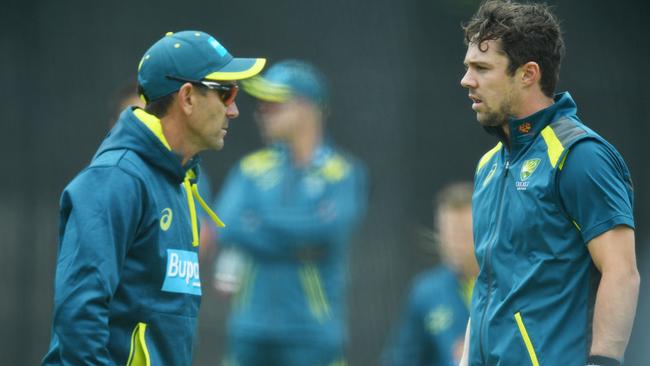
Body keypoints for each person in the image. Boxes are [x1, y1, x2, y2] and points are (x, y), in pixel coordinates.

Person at [42, 30, 265, 365]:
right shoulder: (115, 179)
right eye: (226, 93)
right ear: (187, 98)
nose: (233, 110)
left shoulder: (180, 179)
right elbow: (79, 318)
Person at [458, 2, 639, 366]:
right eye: (467, 68)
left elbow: (622, 272)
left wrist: (604, 362)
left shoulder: (580, 156)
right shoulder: (489, 165)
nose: (467, 80)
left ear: (528, 74)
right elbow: (488, 285)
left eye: (482, 68)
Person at [212, 60, 367, 366]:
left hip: (312, 334)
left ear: (306, 108)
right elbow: (227, 226)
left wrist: (259, 224)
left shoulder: (344, 173)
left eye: (274, 103)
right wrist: (300, 243)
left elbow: (329, 231)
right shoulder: (250, 168)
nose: (261, 111)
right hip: (249, 331)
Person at [382, 182, 478, 366]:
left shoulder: (506, 285)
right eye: (448, 233)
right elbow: (401, 359)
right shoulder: (426, 293)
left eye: (463, 233)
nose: (454, 243)